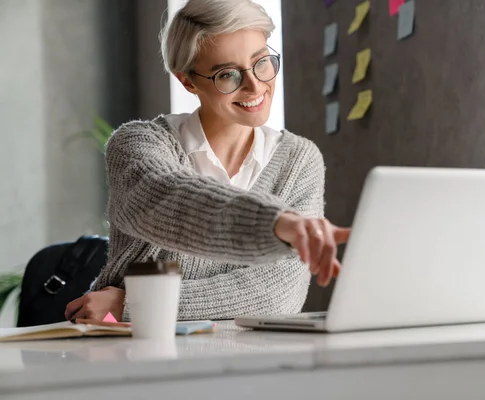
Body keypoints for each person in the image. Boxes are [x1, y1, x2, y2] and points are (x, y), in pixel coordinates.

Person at [64, 0, 350, 322]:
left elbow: (277, 295)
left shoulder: (299, 160)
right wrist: (276, 223)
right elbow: (174, 201)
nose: (255, 85)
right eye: (227, 74)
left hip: (241, 358)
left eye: (262, 62)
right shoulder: (137, 145)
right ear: (188, 81)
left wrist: (136, 303)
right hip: (127, 347)